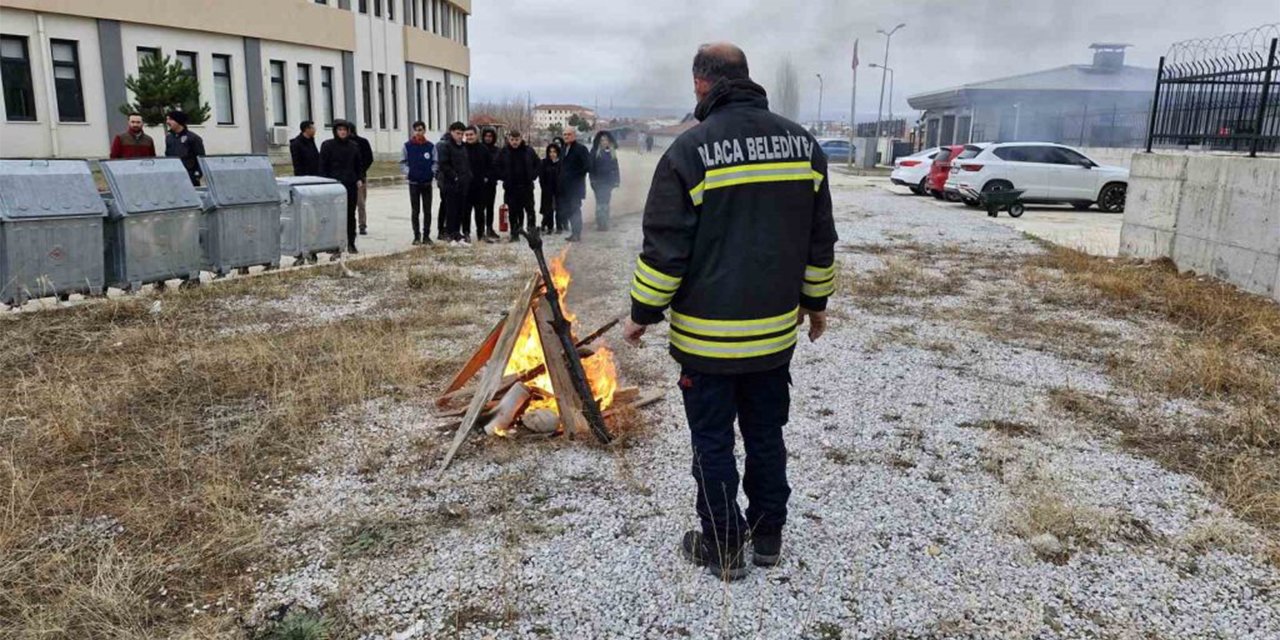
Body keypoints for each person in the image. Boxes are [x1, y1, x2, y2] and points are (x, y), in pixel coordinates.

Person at [622, 43, 837, 581]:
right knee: (766, 433)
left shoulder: (688, 151)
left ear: (701, 84)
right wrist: (816, 305)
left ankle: (721, 545)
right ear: (746, 76)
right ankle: (767, 536)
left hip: (707, 343)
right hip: (771, 340)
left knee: (713, 441)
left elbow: (665, 249)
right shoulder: (804, 146)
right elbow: (819, 240)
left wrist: (641, 315)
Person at [319, 119, 364, 254]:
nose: (342, 132)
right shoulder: (327, 145)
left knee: (350, 214)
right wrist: (324, 182)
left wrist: (360, 178)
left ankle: (351, 243)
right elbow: (322, 166)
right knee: (334, 215)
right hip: (333, 185)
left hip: (350, 184)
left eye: (345, 130)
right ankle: (334, 245)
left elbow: (359, 164)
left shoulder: (354, 146)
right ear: (335, 131)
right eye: (340, 130)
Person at [493, 130, 539, 242]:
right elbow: (496, 166)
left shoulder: (529, 151)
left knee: (529, 209)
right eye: (512, 140)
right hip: (511, 187)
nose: (514, 142)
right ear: (509, 139)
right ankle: (515, 233)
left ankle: (531, 232)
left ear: (521, 139)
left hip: (526, 186)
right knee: (513, 211)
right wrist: (504, 176)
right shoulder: (504, 152)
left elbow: (538, 163)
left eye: (517, 140)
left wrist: (533, 175)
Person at [436, 121, 473, 245]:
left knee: (460, 209)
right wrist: (454, 176)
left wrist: (468, 176)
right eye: (458, 133)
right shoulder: (445, 145)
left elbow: (465, 164)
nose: (460, 136)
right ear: (451, 132)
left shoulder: (462, 146)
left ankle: (457, 232)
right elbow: (444, 164)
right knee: (451, 209)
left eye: (461, 134)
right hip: (450, 183)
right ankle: (450, 232)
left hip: (463, 183)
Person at [400, 120, 436, 245]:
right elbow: (403, 162)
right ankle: (416, 236)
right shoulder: (407, 146)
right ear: (413, 131)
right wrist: (409, 173)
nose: (418, 132)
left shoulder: (430, 146)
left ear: (424, 130)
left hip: (427, 183)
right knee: (415, 211)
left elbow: (435, 162)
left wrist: (432, 173)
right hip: (414, 184)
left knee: (427, 210)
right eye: (416, 130)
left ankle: (426, 235)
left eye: (421, 129)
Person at [557, 128, 591, 241]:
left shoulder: (581, 149)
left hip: (576, 187)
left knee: (575, 209)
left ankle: (577, 233)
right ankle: (573, 233)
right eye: (564, 134)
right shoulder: (563, 149)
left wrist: (574, 175)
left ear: (574, 135)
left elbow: (587, 166)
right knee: (569, 210)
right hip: (564, 187)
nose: (566, 136)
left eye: (569, 134)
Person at [463, 125, 492, 242]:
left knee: (480, 212)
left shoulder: (483, 149)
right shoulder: (462, 149)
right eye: (467, 135)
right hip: (466, 186)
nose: (469, 137)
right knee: (466, 212)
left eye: (471, 135)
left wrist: (486, 177)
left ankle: (481, 234)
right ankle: (466, 233)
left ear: (476, 135)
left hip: (480, 186)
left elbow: (490, 166)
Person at [163, 110, 205, 186]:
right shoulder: (169, 138)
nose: (167, 122)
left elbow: (201, 158)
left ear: (178, 121)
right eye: (167, 119)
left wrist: (197, 175)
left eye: (170, 119)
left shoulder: (193, 138)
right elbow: (167, 155)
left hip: (189, 177)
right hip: (173, 176)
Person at [589, 131, 621, 231]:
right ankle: (600, 223)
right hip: (597, 182)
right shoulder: (594, 152)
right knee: (600, 203)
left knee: (606, 203)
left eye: (606, 140)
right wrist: (593, 180)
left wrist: (617, 180)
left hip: (609, 182)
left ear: (609, 141)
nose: (604, 142)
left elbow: (615, 167)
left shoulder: (612, 153)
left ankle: (605, 222)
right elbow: (591, 168)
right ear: (599, 141)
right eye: (602, 140)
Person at [476, 127, 501, 241]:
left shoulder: (497, 151)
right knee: (480, 208)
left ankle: (489, 228)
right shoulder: (479, 148)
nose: (488, 138)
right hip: (480, 183)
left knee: (490, 207)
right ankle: (480, 231)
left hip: (491, 183)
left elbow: (498, 166)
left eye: (490, 136)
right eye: (486, 136)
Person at [350, 123, 374, 235]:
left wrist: (361, 171)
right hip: (346, 177)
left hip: (360, 176)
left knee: (361, 202)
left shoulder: (362, 142)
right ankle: (349, 225)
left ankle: (362, 225)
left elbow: (369, 158)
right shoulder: (339, 144)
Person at [538, 144, 562, 233]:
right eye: (550, 152)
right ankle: (549, 226)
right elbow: (541, 177)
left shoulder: (561, 163)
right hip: (547, 190)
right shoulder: (544, 163)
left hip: (558, 190)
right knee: (548, 209)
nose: (552, 154)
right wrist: (544, 188)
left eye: (554, 152)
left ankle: (559, 226)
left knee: (558, 209)